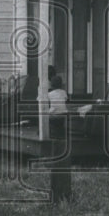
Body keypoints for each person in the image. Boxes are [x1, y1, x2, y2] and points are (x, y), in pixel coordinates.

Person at [47, 73, 72, 203]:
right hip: (63, 116)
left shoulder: (49, 94)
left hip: (53, 116)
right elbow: (67, 101)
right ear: (61, 84)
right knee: (62, 128)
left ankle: (51, 133)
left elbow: (47, 104)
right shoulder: (63, 93)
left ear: (51, 85)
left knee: (50, 120)